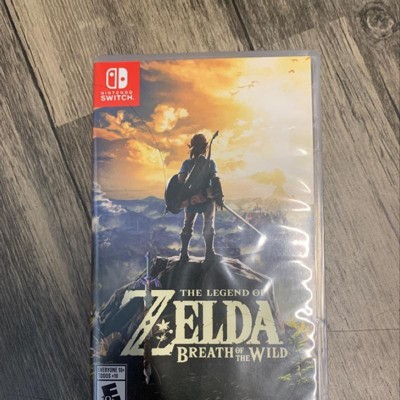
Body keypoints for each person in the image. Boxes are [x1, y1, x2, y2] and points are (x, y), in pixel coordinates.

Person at [178, 133, 224, 262]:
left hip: (199, 198)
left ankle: (189, 253)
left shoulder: (194, 163)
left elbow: (214, 179)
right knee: (198, 225)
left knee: (192, 225)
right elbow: (181, 181)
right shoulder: (191, 163)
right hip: (197, 199)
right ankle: (192, 253)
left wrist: (217, 195)